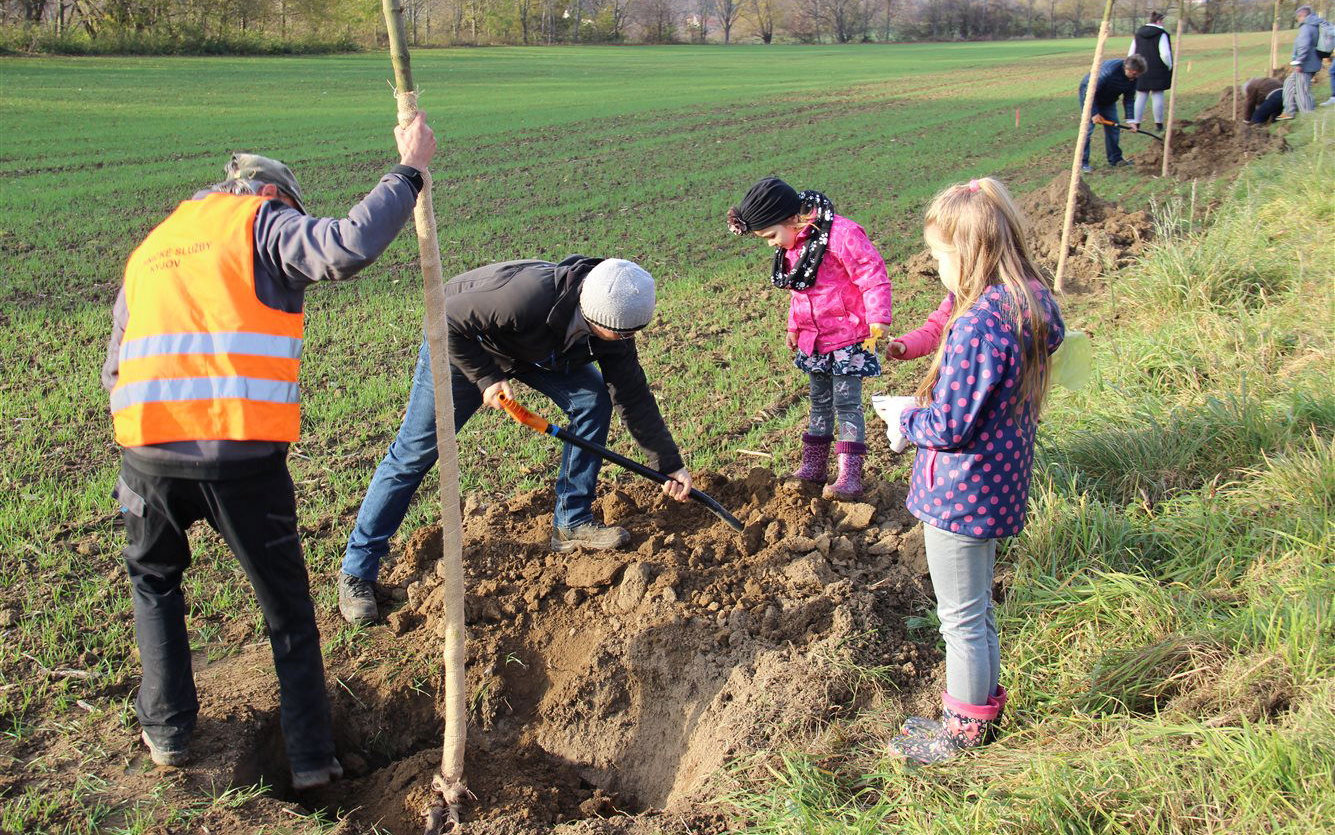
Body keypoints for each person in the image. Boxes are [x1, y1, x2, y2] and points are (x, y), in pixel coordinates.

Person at [103, 114, 438, 786]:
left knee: (155, 584)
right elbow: (346, 246)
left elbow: (115, 364)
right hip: (239, 459)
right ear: (273, 194)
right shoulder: (260, 221)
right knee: (286, 611)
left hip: (146, 455)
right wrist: (409, 172)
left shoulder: (155, 244)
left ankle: (167, 733)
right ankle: (311, 761)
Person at [338, 256, 693, 624]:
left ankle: (572, 522)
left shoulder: (615, 325)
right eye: (623, 334)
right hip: (462, 345)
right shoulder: (525, 297)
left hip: (532, 351)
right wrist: (485, 377)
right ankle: (356, 571)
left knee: (592, 401)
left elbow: (632, 396)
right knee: (413, 455)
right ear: (596, 318)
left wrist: (668, 463)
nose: (628, 341)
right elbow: (441, 318)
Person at [874, 178, 1065, 765]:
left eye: (938, 256)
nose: (935, 268)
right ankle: (981, 709)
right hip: (999, 479)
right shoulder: (1030, 298)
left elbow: (951, 425)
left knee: (960, 619)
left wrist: (906, 418)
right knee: (977, 612)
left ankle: (960, 735)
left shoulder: (980, 323)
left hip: (960, 492)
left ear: (970, 250)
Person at [727, 177, 892, 501]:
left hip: (848, 338)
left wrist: (878, 318)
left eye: (771, 236)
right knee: (819, 402)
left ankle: (849, 477)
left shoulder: (842, 235)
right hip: (815, 341)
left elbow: (872, 275)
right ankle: (814, 467)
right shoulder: (792, 249)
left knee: (847, 404)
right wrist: (795, 327)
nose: (771, 244)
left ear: (791, 218)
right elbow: (800, 294)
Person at [1078, 54, 1147, 172]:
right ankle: (1082, 163)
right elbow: (1089, 92)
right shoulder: (1108, 72)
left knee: (1114, 128)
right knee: (1087, 130)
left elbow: (1129, 98)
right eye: (1134, 74)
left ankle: (1115, 159)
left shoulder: (1133, 78)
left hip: (1109, 100)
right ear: (1127, 69)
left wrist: (1131, 120)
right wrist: (1094, 113)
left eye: (1138, 75)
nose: (1136, 77)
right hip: (1089, 96)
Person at [1129, 11, 1173, 131]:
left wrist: (1132, 67)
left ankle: (1136, 124)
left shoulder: (1138, 34)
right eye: (1162, 21)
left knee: (1140, 96)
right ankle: (1158, 124)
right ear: (1158, 21)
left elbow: (1131, 53)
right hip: (1158, 69)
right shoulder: (1161, 34)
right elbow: (1165, 54)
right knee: (1157, 95)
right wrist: (1169, 66)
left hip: (1140, 69)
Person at [1280, 6, 1327, 117]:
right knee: (1289, 83)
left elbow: (1303, 46)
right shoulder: (1316, 25)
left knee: (1302, 90)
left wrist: (1299, 62)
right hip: (1313, 62)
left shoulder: (1306, 27)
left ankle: (1308, 114)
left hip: (1306, 64)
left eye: (1298, 17)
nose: (1298, 20)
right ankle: (1289, 111)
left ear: (1302, 16)